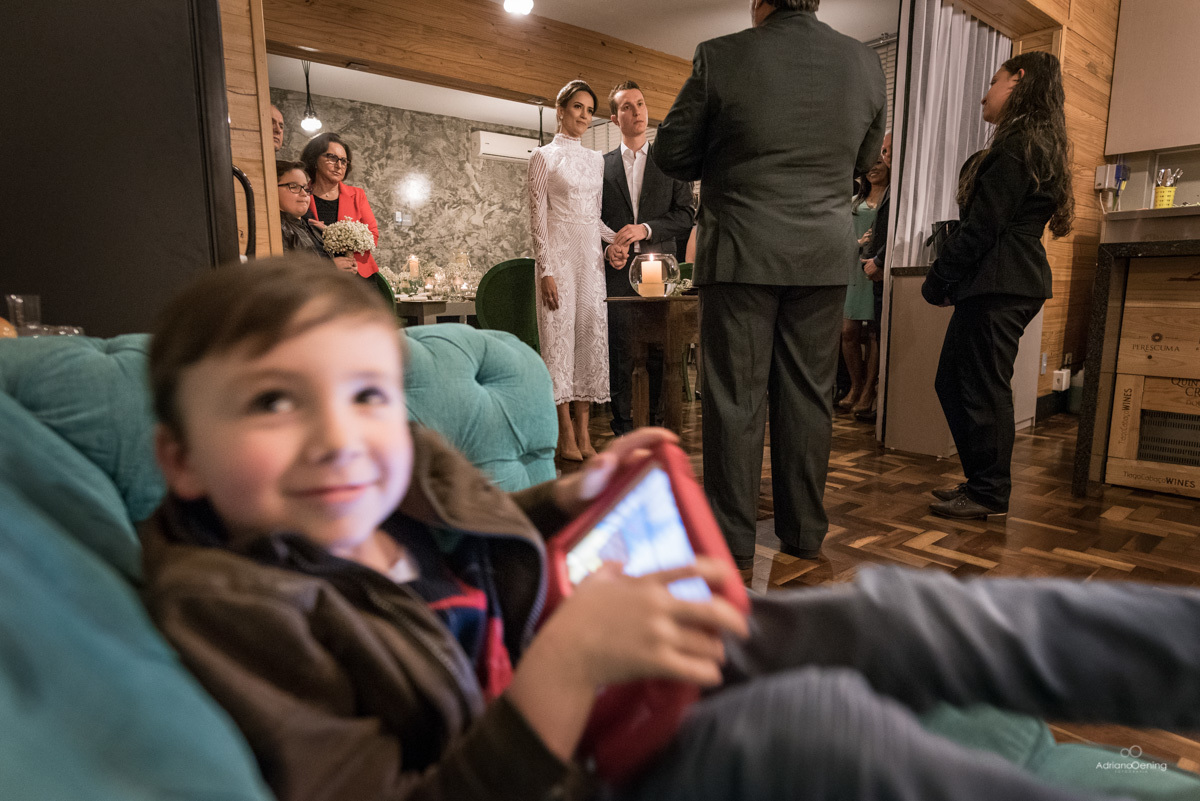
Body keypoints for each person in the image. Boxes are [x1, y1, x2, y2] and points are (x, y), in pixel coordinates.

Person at [138, 259, 1200, 801]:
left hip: (609, 659)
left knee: (904, 615)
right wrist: (561, 677)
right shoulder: (238, 610)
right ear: (178, 454)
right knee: (813, 731)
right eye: (275, 403)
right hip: (589, 763)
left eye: (368, 395)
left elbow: (473, 545)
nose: (342, 438)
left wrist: (572, 491)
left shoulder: (386, 481)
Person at [653, 0, 886, 576]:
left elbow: (672, 153)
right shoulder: (864, 64)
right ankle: (804, 531)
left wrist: (732, 150)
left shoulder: (720, 55)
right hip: (824, 256)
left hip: (742, 250)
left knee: (736, 400)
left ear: (761, 3)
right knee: (809, 396)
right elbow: (862, 157)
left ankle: (731, 543)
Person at [921, 52, 1074, 521]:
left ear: (1019, 80)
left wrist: (939, 277)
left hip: (1001, 281)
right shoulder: (1037, 142)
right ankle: (981, 483)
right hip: (1006, 279)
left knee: (982, 388)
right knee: (957, 382)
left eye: (993, 81)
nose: (985, 94)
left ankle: (989, 491)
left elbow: (983, 227)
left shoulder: (1018, 143)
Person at [529, 80, 625, 461]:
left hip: (590, 262)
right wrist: (545, 270)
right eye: (577, 108)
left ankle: (585, 434)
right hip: (559, 260)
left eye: (589, 110)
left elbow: (593, 219)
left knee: (588, 341)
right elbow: (537, 220)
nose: (584, 116)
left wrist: (616, 240)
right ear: (560, 110)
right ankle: (563, 432)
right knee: (558, 342)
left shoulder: (596, 160)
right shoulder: (543, 157)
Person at [601, 80, 696, 436]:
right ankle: (622, 427)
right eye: (627, 106)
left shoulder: (669, 161)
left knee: (660, 353)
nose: (636, 111)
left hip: (661, 270)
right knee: (620, 351)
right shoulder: (601, 166)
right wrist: (609, 246)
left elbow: (686, 214)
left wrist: (645, 229)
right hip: (618, 272)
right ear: (614, 118)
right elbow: (591, 219)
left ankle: (656, 427)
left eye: (640, 104)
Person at [840, 155, 889, 417]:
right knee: (848, 331)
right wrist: (857, 241)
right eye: (869, 165)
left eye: (879, 162)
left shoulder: (891, 200)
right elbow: (841, 234)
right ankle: (855, 386)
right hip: (853, 269)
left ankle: (869, 390)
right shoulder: (853, 202)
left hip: (876, 269)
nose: (873, 168)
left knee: (873, 334)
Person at [300, 132, 381, 279]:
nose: (339, 165)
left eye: (344, 161)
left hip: (359, 274)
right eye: (332, 158)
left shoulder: (357, 195)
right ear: (314, 159)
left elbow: (373, 236)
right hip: (320, 276)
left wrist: (333, 235)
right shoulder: (301, 193)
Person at [276, 160, 358, 275]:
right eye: (294, 187)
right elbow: (282, 275)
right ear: (272, 189)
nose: (304, 193)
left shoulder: (311, 226)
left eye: (305, 188)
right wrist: (330, 267)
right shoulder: (275, 228)